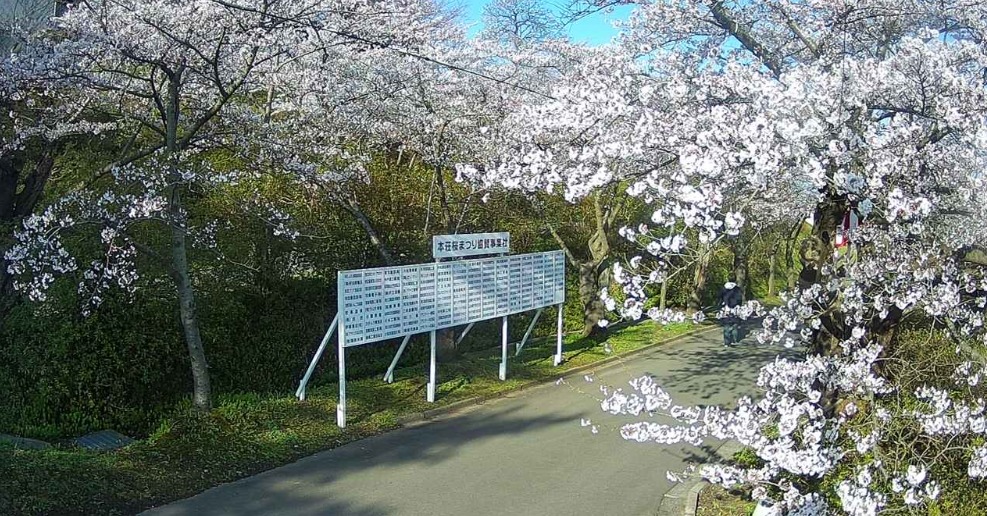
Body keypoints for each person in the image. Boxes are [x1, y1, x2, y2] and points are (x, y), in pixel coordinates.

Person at [717, 280, 743, 346]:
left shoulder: (724, 288)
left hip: (726, 308)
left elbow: (719, 296)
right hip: (735, 309)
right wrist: (739, 305)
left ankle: (726, 342)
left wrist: (721, 304)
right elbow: (740, 298)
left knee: (726, 324)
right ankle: (734, 340)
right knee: (735, 324)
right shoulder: (737, 289)